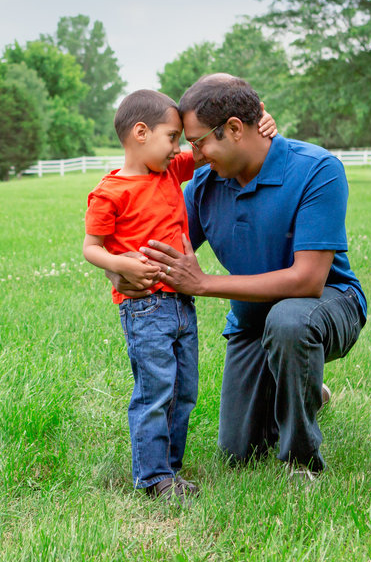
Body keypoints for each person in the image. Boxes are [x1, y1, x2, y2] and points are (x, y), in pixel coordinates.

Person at [135, 75, 367, 477]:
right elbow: (163, 249)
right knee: (238, 452)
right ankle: (310, 391)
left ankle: (301, 462)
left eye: (199, 141)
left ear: (236, 129)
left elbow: (308, 281)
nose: (195, 155)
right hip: (251, 320)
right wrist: (123, 269)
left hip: (327, 304)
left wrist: (203, 283)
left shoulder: (317, 169)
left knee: (290, 321)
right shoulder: (205, 185)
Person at [82, 88, 277, 500]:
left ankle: (171, 470)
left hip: (182, 304)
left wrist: (264, 117)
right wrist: (120, 266)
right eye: (172, 137)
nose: (179, 148)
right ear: (140, 132)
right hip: (145, 307)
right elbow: (91, 248)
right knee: (156, 392)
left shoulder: (169, 171)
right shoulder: (108, 193)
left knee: (184, 391)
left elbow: (217, 144)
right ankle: (153, 478)